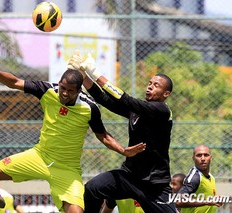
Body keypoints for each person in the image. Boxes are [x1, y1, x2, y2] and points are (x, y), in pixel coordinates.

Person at [0, 54, 146, 213]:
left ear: (78, 91)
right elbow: (15, 82)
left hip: (67, 169)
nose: (63, 93)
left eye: (69, 90)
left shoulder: (89, 109)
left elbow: (104, 136)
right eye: (62, 87)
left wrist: (123, 150)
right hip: (38, 156)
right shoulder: (48, 91)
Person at [68, 52, 176, 212]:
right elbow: (106, 100)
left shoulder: (161, 110)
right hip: (129, 176)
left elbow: (124, 98)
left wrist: (95, 72)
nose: (150, 86)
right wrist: (83, 77)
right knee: (92, 188)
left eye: (156, 85)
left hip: (154, 185)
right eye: (150, 83)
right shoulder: (138, 111)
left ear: (166, 94)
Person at [176, 145, 222, 213]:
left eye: (206, 155)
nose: (203, 158)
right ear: (193, 158)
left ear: (211, 158)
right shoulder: (195, 178)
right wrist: (207, 202)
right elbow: (179, 201)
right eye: (199, 155)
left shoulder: (211, 178)